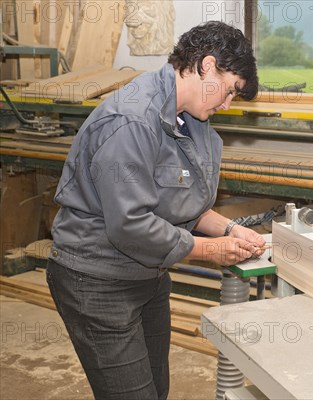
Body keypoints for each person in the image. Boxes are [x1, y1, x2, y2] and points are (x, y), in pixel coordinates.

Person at [46, 21, 265, 400]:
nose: (227, 105)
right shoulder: (132, 120)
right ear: (206, 66)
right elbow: (130, 224)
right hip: (96, 277)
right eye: (229, 91)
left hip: (147, 274)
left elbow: (181, 203)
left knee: (156, 389)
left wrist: (229, 230)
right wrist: (208, 251)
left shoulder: (190, 120)